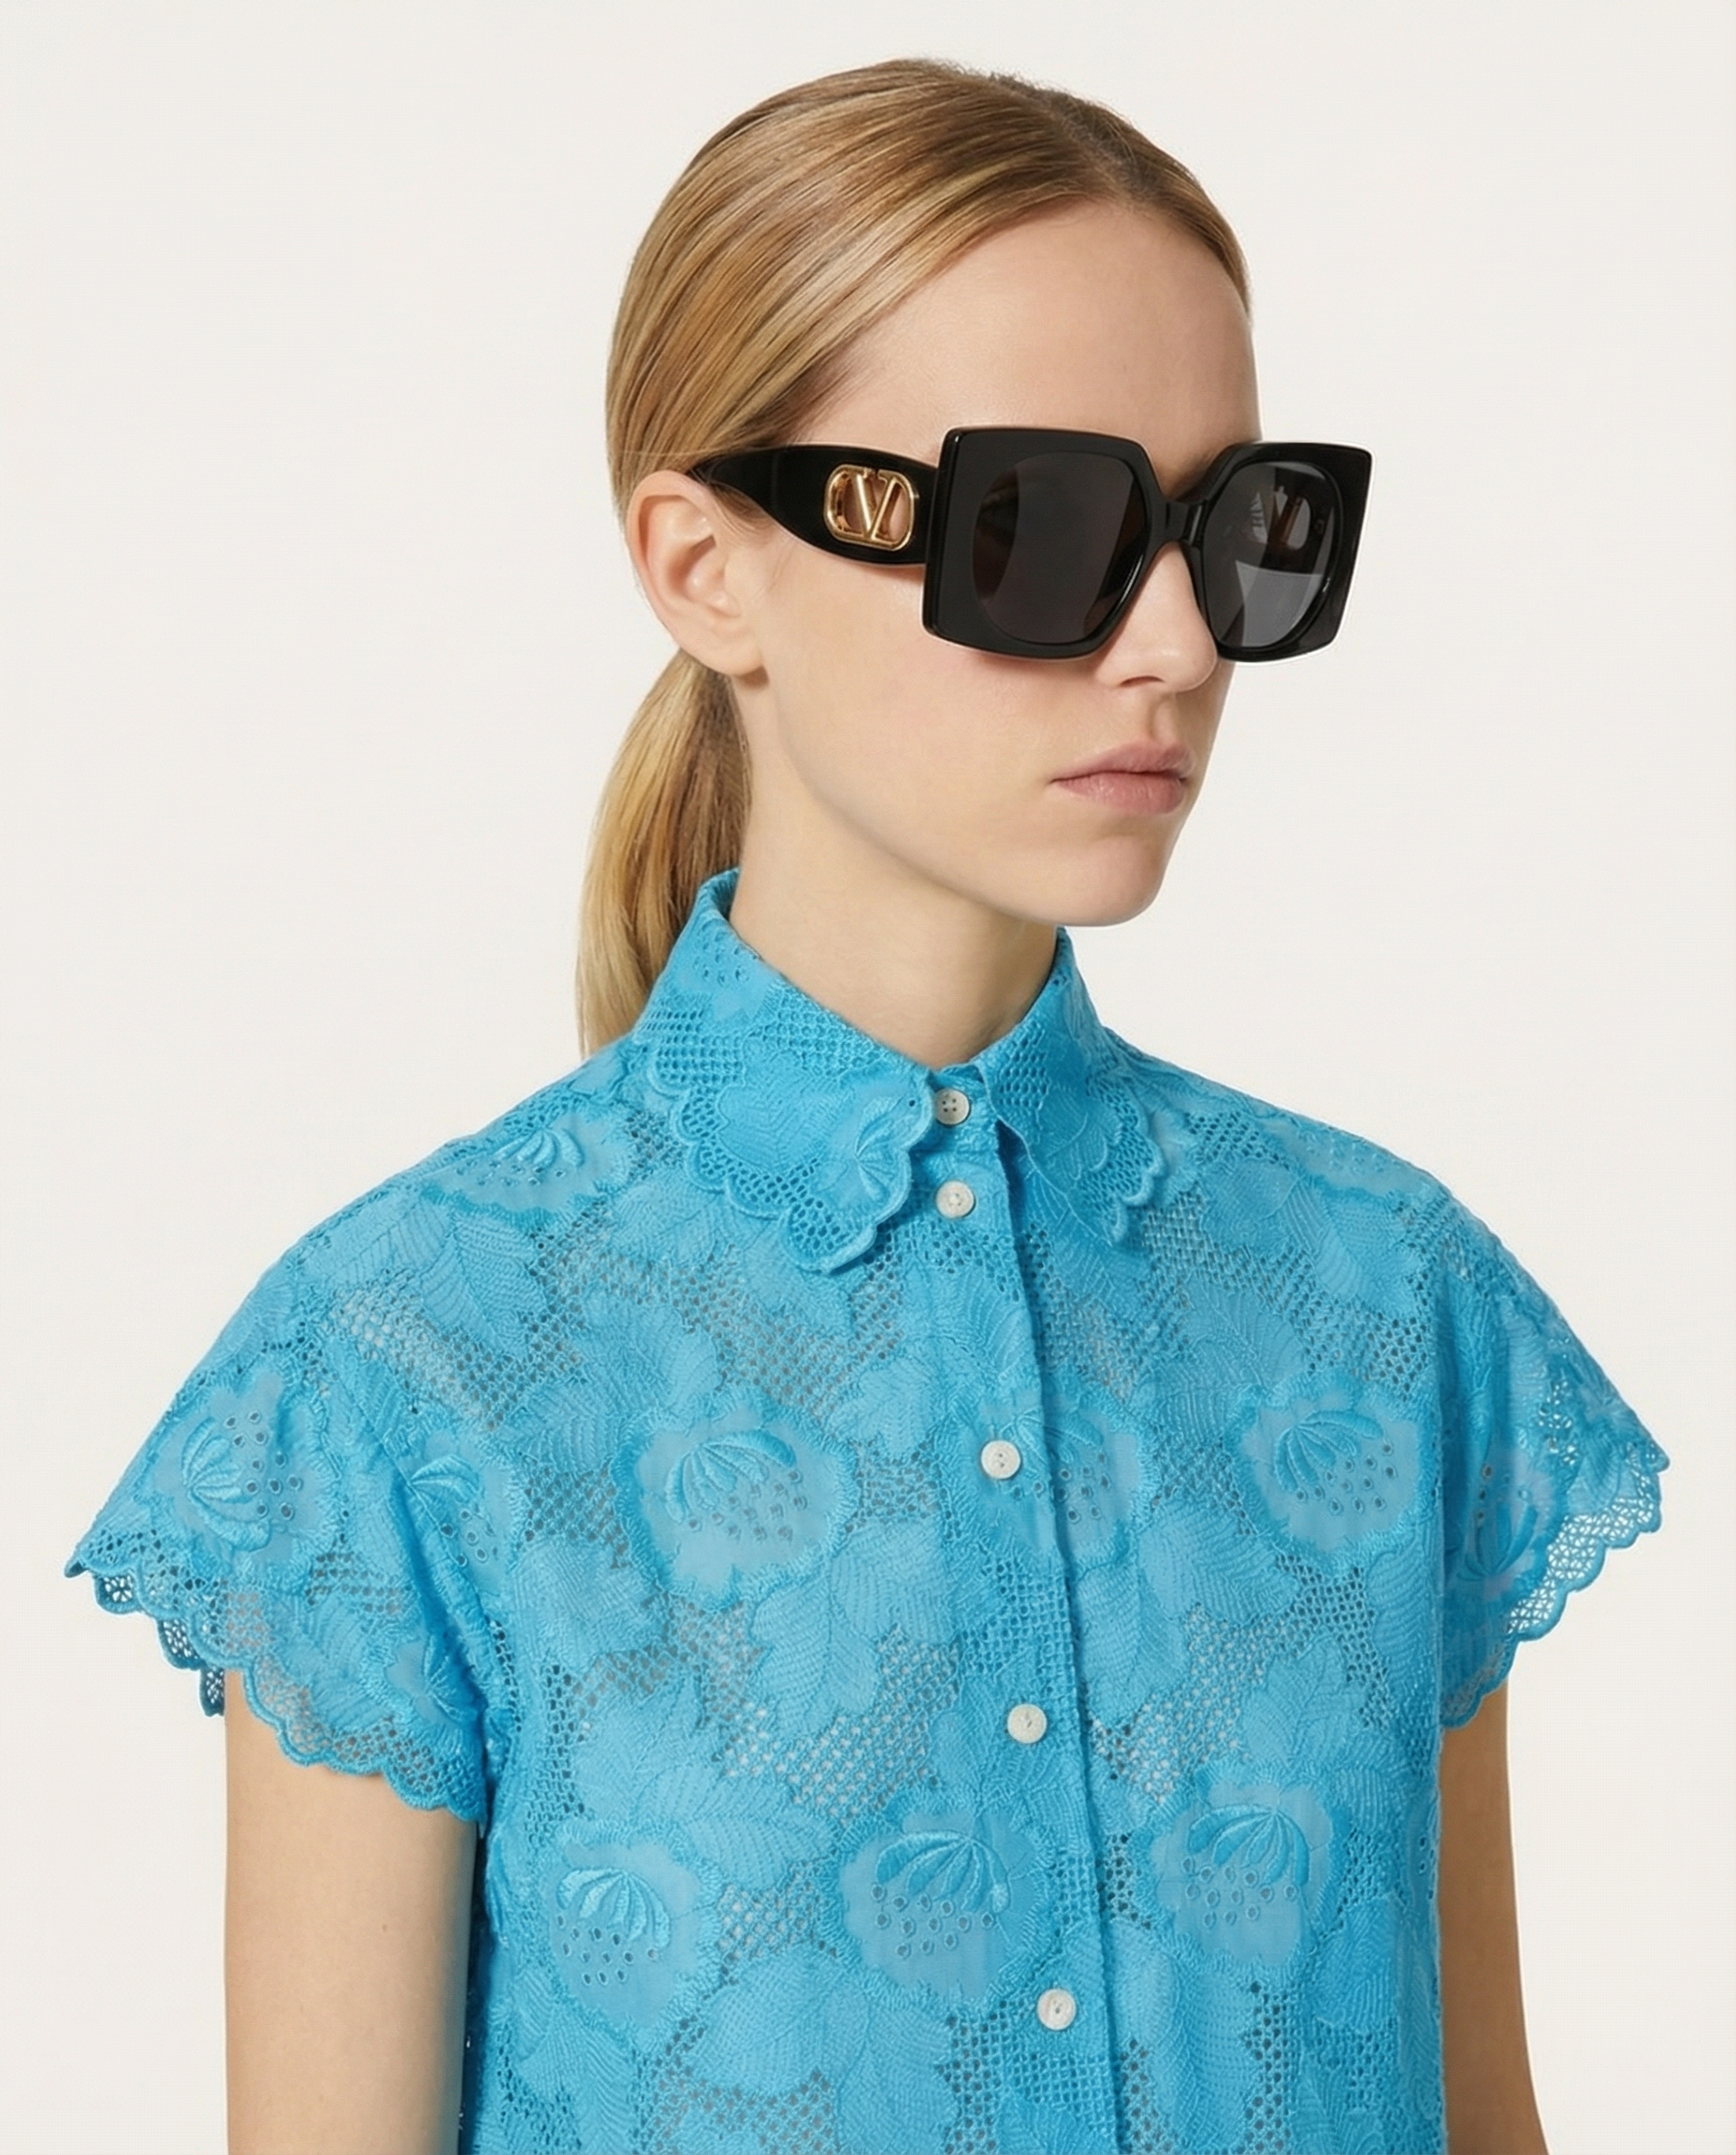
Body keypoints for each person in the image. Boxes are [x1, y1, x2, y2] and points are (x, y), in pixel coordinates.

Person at [65, 56, 1666, 2155]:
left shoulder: (1386, 1307)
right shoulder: (398, 1374)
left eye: (1234, 534)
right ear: (704, 566)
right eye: (1042, 530)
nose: (1175, 647)